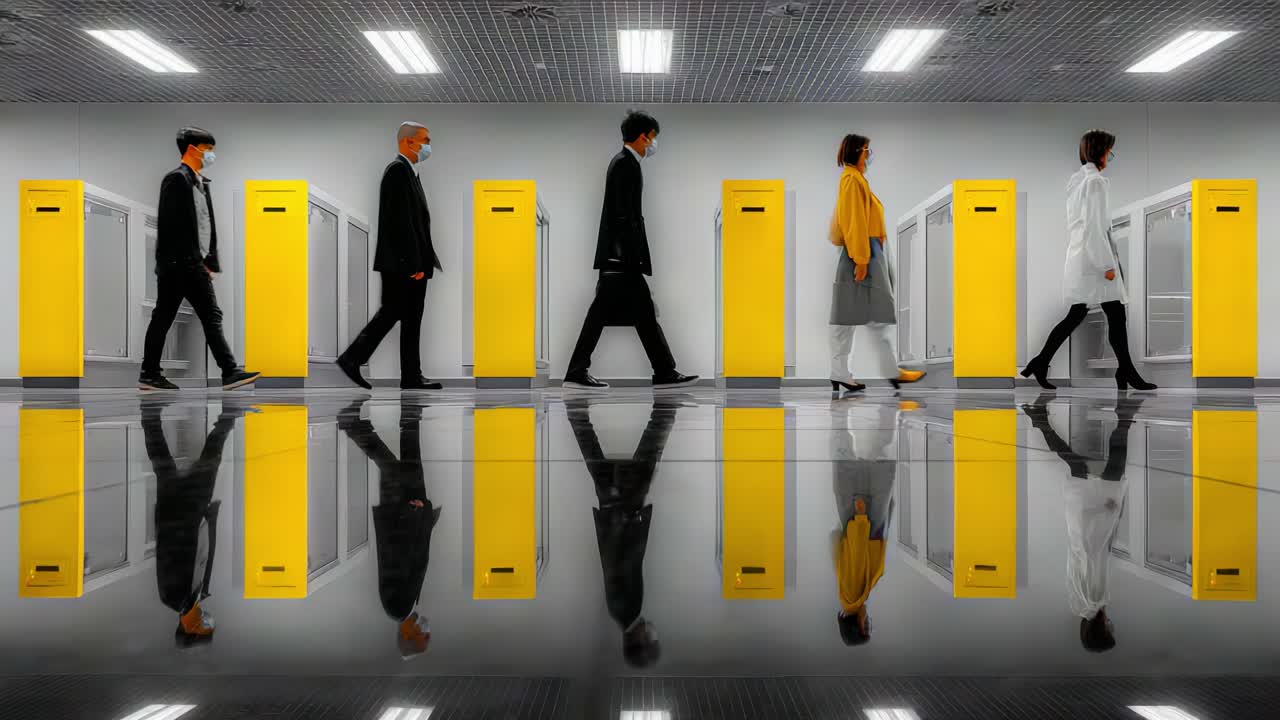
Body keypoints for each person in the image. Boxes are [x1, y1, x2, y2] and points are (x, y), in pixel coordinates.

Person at [563, 111, 698, 391]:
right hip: (621, 259)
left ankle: (661, 371)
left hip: (619, 257)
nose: (652, 144)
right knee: (615, 314)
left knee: (639, 314)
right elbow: (625, 216)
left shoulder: (624, 163)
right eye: (652, 138)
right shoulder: (626, 164)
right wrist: (631, 256)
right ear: (641, 137)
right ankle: (660, 371)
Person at [1021, 130, 1156, 392]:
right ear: (1100, 152)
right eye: (1109, 151)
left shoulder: (1076, 181)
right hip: (1095, 259)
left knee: (1081, 314)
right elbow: (1094, 227)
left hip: (1080, 257)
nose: (1110, 157)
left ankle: (1041, 362)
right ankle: (1125, 371)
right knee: (1113, 314)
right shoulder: (1096, 183)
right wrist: (1106, 266)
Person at [138, 127, 260, 392]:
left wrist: (210, 261)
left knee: (164, 317)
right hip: (180, 264)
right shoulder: (176, 180)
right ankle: (229, 371)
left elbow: (206, 225)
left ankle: (149, 374)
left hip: (189, 263)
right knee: (209, 314)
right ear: (193, 149)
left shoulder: (199, 182)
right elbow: (174, 227)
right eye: (208, 149)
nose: (211, 155)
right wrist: (194, 263)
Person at [1021, 395, 1142, 653]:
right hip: (1083, 524)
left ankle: (1125, 416)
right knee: (1079, 464)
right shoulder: (1080, 604)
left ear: (1102, 629)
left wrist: (1104, 513)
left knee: (1113, 465)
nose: (1113, 625)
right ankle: (1039, 419)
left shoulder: (1095, 601)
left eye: (1110, 630)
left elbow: (1093, 556)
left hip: (1093, 524)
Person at [567, 397, 681, 667]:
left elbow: (617, 562)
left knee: (650, 450)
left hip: (622, 507)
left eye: (651, 640)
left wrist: (622, 519)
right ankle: (577, 416)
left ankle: (664, 412)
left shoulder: (626, 609)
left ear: (639, 641)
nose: (654, 634)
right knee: (597, 452)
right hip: (618, 508)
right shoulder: (622, 612)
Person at [337, 122, 443, 391]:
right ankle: (352, 358)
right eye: (425, 140)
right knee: (392, 312)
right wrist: (413, 263)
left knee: (410, 319)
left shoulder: (410, 173)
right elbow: (399, 222)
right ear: (408, 142)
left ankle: (411, 376)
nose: (429, 145)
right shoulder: (397, 171)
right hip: (403, 263)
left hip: (411, 262)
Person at [337, 398, 440, 660]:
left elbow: (396, 554)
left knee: (390, 466)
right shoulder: (407, 605)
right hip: (414, 512)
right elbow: (416, 556)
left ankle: (351, 425)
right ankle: (408, 414)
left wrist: (411, 514)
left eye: (422, 636)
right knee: (409, 459)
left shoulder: (397, 606)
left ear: (408, 635)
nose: (427, 631)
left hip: (402, 512)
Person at [144, 395, 248, 648]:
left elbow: (166, 550)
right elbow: (206, 553)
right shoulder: (199, 593)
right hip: (196, 510)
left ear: (191, 627)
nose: (208, 622)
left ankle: (149, 416)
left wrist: (171, 517)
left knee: (163, 463)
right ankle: (228, 416)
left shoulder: (172, 597)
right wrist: (210, 519)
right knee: (210, 460)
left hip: (177, 511)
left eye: (204, 628)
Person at [828, 134, 924, 395]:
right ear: (857, 151)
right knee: (851, 317)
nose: (870, 155)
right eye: (867, 150)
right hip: (861, 255)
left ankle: (856, 372)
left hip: (867, 253)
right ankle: (848, 372)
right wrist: (861, 260)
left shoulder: (856, 180)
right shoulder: (851, 180)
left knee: (866, 316)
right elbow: (853, 222)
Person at [829, 401, 899, 646]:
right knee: (870, 455)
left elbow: (857, 556)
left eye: (866, 626)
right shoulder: (848, 598)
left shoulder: (853, 597)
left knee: (865, 459)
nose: (868, 621)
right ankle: (882, 413)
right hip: (866, 522)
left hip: (865, 520)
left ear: (858, 626)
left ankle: (851, 411)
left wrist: (860, 517)